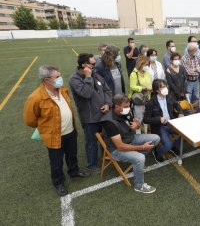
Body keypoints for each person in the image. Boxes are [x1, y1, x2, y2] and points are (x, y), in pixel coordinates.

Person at [24, 66, 89, 196]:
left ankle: (74, 171)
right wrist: (46, 127)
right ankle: (58, 182)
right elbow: (29, 120)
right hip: (54, 136)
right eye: (57, 77)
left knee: (72, 154)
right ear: (47, 80)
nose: (60, 78)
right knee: (56, 161)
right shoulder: (36, 97)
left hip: (70, 131)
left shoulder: (62, 90)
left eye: (60, 75)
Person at [101, 93, 160, 193]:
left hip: (130, 138)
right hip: (117, 149)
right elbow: (120, 146)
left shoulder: (125, 112)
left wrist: (137, 125)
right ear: (117, 106)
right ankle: (139, 185)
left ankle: (137, 164)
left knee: (156, 138)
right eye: (126, 107)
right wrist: (141, 147)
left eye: (128, 106)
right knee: (140, 158)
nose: (128, 108)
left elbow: (135, 123)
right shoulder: (109, 122)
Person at [69, 54, 112, 173]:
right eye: (92, 64)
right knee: (92, 142)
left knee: (104, 138)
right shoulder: (75, 79)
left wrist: (108, 104)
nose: (95, 65)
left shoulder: (96, 75)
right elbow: (86, 93)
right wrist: (88, 78)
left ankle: (105, 157)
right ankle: (92, 164)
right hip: (90, 118)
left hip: (104, 114)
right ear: (84, 65)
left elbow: (107, 90)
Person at [143, 79, 184, 163]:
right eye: (162, 87)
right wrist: (159, 119)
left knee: (186, 133)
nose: (165, 88)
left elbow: (176, 105)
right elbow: (145, 119)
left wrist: (180, 112)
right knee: (168, 145)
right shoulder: (151, 103)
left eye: (165, 86)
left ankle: (174, 146)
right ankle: (157, 151)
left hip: (171, 123)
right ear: (157, 91)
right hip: (160, 127)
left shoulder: (169, 96)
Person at [128, 57, 152, 123]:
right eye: (146, 65)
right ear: (140, 64)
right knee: (138, 118)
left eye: (148, 65)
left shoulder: (147, 73)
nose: (147, 67)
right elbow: (132, 86)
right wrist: (144, 88)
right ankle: (138, 132)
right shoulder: (134, 74)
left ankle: (146, 132)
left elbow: (150, 84)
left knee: (146, 116)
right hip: (138, 100)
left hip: (147, 98)